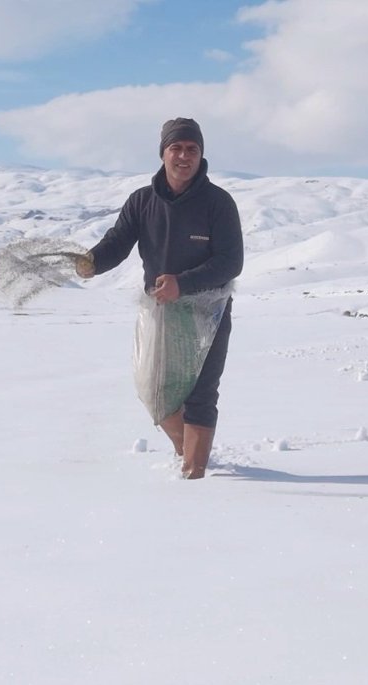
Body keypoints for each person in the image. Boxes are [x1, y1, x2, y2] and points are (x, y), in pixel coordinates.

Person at [75, 117, 243, 478]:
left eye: (192, 149)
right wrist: (92, 262)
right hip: (161, 312)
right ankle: (188, 456)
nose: (184, 156)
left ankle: (196, 474)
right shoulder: (142, 202)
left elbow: (231, 262)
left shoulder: (218, 203)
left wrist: (184, 283)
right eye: (176, 148)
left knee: (200, 393)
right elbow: (118, 242)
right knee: (154, 389)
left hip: (208, 313)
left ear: (201, 155)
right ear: (163, 153)